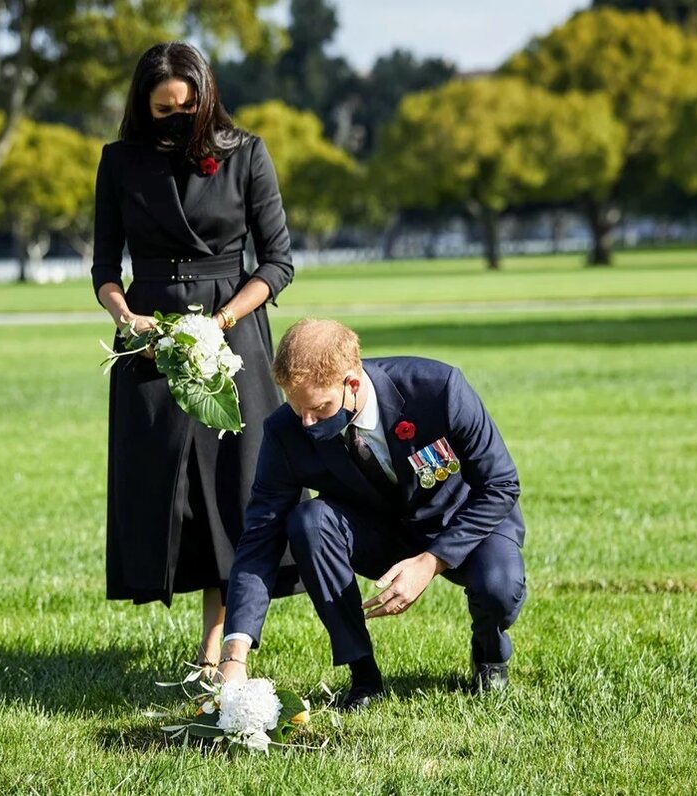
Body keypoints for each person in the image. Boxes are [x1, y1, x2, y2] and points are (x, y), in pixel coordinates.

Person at [92, 42, 300, 671]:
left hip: (230, 329)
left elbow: (277, 262)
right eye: (163, 109)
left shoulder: (247, 154)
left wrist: (225, 320)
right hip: (150, 333)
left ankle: (219, 640)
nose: (177, 118)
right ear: (143, 106)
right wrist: (125, 314)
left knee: (228, 487)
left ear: (205, 99)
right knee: (162, 485)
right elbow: (106, 267)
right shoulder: (119, 162)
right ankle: (179, 598)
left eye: (187, 107)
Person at [216, 319, 527, 709]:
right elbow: (260, 535)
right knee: (308, 522)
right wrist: (234, 654)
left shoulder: (438, 389)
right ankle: (363, 676)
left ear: (353, 383)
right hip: (378, 533)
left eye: (318, 408)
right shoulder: (285, 431)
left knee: (499, 587)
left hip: (463, 520)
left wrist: (430, 562)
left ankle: (489, 655)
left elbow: (500, 486)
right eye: (297, 408)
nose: (306, 423)